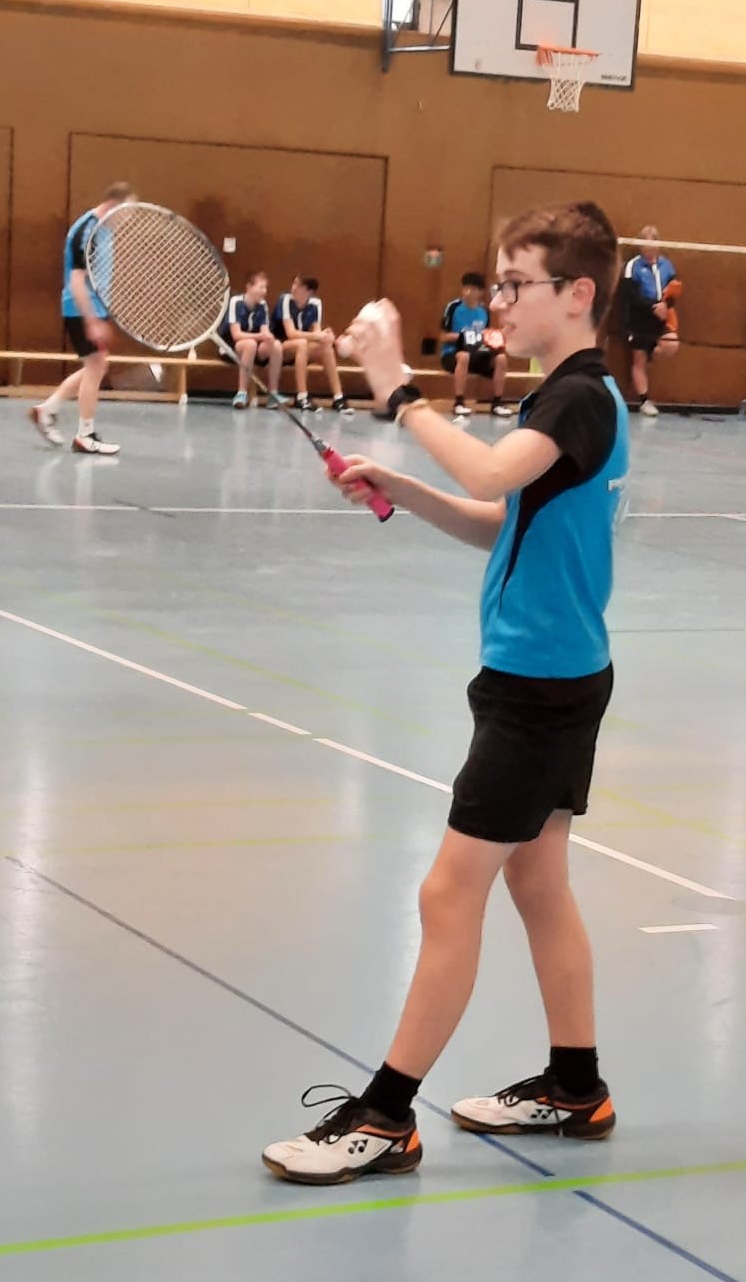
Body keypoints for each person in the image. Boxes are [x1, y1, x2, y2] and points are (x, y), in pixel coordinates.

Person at [262, 200, 628, 1186]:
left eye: (516, 284)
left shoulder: (579, 398)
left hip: (540, 690)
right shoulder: (569, 396)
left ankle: (386, 1116)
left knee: (446, 890)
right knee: (537, 883)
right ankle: (576, 1085)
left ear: (577, 293)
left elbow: (494, 470)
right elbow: (504, 519)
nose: (500, 301)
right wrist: (406, 489)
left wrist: (398, 390)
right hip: (550, 675)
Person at [29, 181, 135, 454]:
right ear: (113, 205)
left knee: (96, 366)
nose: (128, 218)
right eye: (127, 211)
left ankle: (47, 410)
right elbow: (76, 282)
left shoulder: (104, 230)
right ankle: (85, 435)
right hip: (80, 309)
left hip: (95, 309)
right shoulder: (87, 231)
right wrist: (91, 321)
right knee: (96, 367)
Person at [270, 276, 352, 415]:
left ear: (309, 291)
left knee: (326, 348)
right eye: (294, 283)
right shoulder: (285, 300)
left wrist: (327, 337)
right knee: (302, 344)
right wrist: (317, 335)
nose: (294, 288)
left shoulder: (315, 303)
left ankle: (338, 398)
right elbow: (291, 333)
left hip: (301, 349)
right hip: (281, 347)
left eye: (298, 286)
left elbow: (316, 332)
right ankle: (302, 396)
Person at [622, 225, 680, 418]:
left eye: (652, 243)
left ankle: (652, 352)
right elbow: (629, 294)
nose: (648, 248)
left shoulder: (667, 265)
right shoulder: (632, 266)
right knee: (638, 360)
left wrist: (666, 305)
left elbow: (675, 289)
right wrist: (652, 307)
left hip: (661, 317)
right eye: (644, 244)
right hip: (639, 318)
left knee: (671, 344)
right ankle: (644, 401)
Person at [440, 270, 514, 418]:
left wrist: (496, 336)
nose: (468, 292)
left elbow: (485, 336)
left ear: (480, 292)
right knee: (464, 356)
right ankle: (459, 403)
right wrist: (464, 336)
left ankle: (497, 402)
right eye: (465, 287)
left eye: (473, 289)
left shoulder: (484, 311)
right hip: (453, 354)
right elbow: (443, 337)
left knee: (501, 358)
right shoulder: (453, 307)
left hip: (477, 353)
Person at [219, 271, 285, 409]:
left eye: (265, 288)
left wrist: (269, 337)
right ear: (249, 287)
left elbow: (264, 331)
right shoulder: (236, 302)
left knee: (277, 345)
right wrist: (261, 336)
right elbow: (236, 335)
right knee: (250, 344)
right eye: (261, 287)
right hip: (230, 348)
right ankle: (241, 393)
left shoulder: (262, 305)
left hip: (253, 347)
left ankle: (273, 394)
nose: (264, 291)